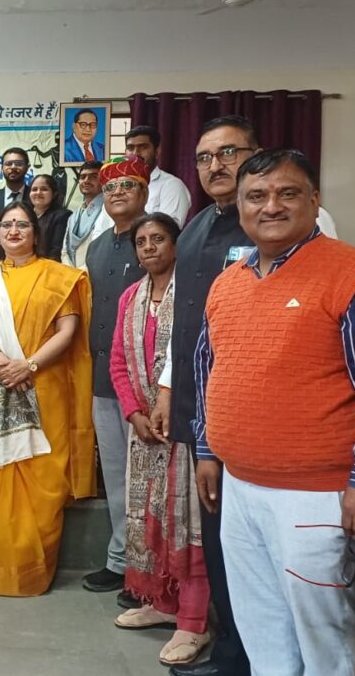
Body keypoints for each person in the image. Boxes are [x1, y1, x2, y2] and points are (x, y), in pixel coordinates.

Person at [194, 149, 355, 676]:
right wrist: (206, 447)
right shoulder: (229, 281)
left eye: (287, 193)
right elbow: (208, 367)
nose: (271, 206)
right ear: (240, 207)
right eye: (256, 196)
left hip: (317, 493)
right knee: (261, 626)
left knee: (323, 637)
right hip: (239, 487)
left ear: (314, 201)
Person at [151, 115, 259, 676]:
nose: (215, 166)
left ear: (256, 155)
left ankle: (261, 656)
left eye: (228, 153)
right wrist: (169, 386)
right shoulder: (194, 227)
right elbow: (184, 321)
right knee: (219, 538)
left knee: (253, 543)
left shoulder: (275, 222)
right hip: (201, 411)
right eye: (204, 157)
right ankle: (233, 651)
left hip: (255, 412)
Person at [0, 202, 95, 597]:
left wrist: (27, 366)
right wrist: (2, 361)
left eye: (22, 225)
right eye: (7, 225)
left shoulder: (58, 277)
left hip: (44, 387)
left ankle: (30, 572)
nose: (14, 231)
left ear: (35, 232)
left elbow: (68, 331)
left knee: (44, 475)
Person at [109, 213, 213, 668]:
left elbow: (202, 358)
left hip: (185, 427)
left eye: (158, 239)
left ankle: (193, 621)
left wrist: (173, 408)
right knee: (150, 519)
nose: (149, 247)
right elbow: (118, 360)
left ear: (177, 244)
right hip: (145, 432)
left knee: (187, 523)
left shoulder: (194, 295)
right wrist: (134, 412)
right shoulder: (130, 297)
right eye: (141, 241)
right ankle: (162, 601)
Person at [82, 156, 150, 602]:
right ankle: (120, 560)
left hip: (145, 383)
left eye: (128, 185)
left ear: (145, 192)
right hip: (103, 378)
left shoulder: (156, 239)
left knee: (148, 478)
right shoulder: (97, 247)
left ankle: (149, 571)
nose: (118, 193)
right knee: (115, 476)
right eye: (110, 188)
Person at [126, 126, 192, 226]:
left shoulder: (172, 185)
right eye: (130, 148)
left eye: (143, 147)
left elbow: (166, 230)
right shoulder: (118, 186)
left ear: (156, 152)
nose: (135, 153)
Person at [62, 161, 113, 266]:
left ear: (104, 180)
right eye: (82, 177)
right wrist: (71, 272)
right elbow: (65, 251)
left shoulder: (110, 211)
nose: (86, 180)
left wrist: (83, 272)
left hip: (97, 270)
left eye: (93, 176)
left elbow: (105, 249)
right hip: (72, 273)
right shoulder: (73, 216)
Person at [29, 172, 72, 262]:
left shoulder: (63, 216)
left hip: (48, 266)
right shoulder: (25, 215)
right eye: (34, 189)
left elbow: (56, 252)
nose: (38, 192)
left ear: (54, 193)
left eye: (44, 189)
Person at [0, 147, 30, 217]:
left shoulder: (35, 197)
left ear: (27, 168)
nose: (13, 167)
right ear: (2, 168)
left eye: (18, 164)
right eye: (8, 164)